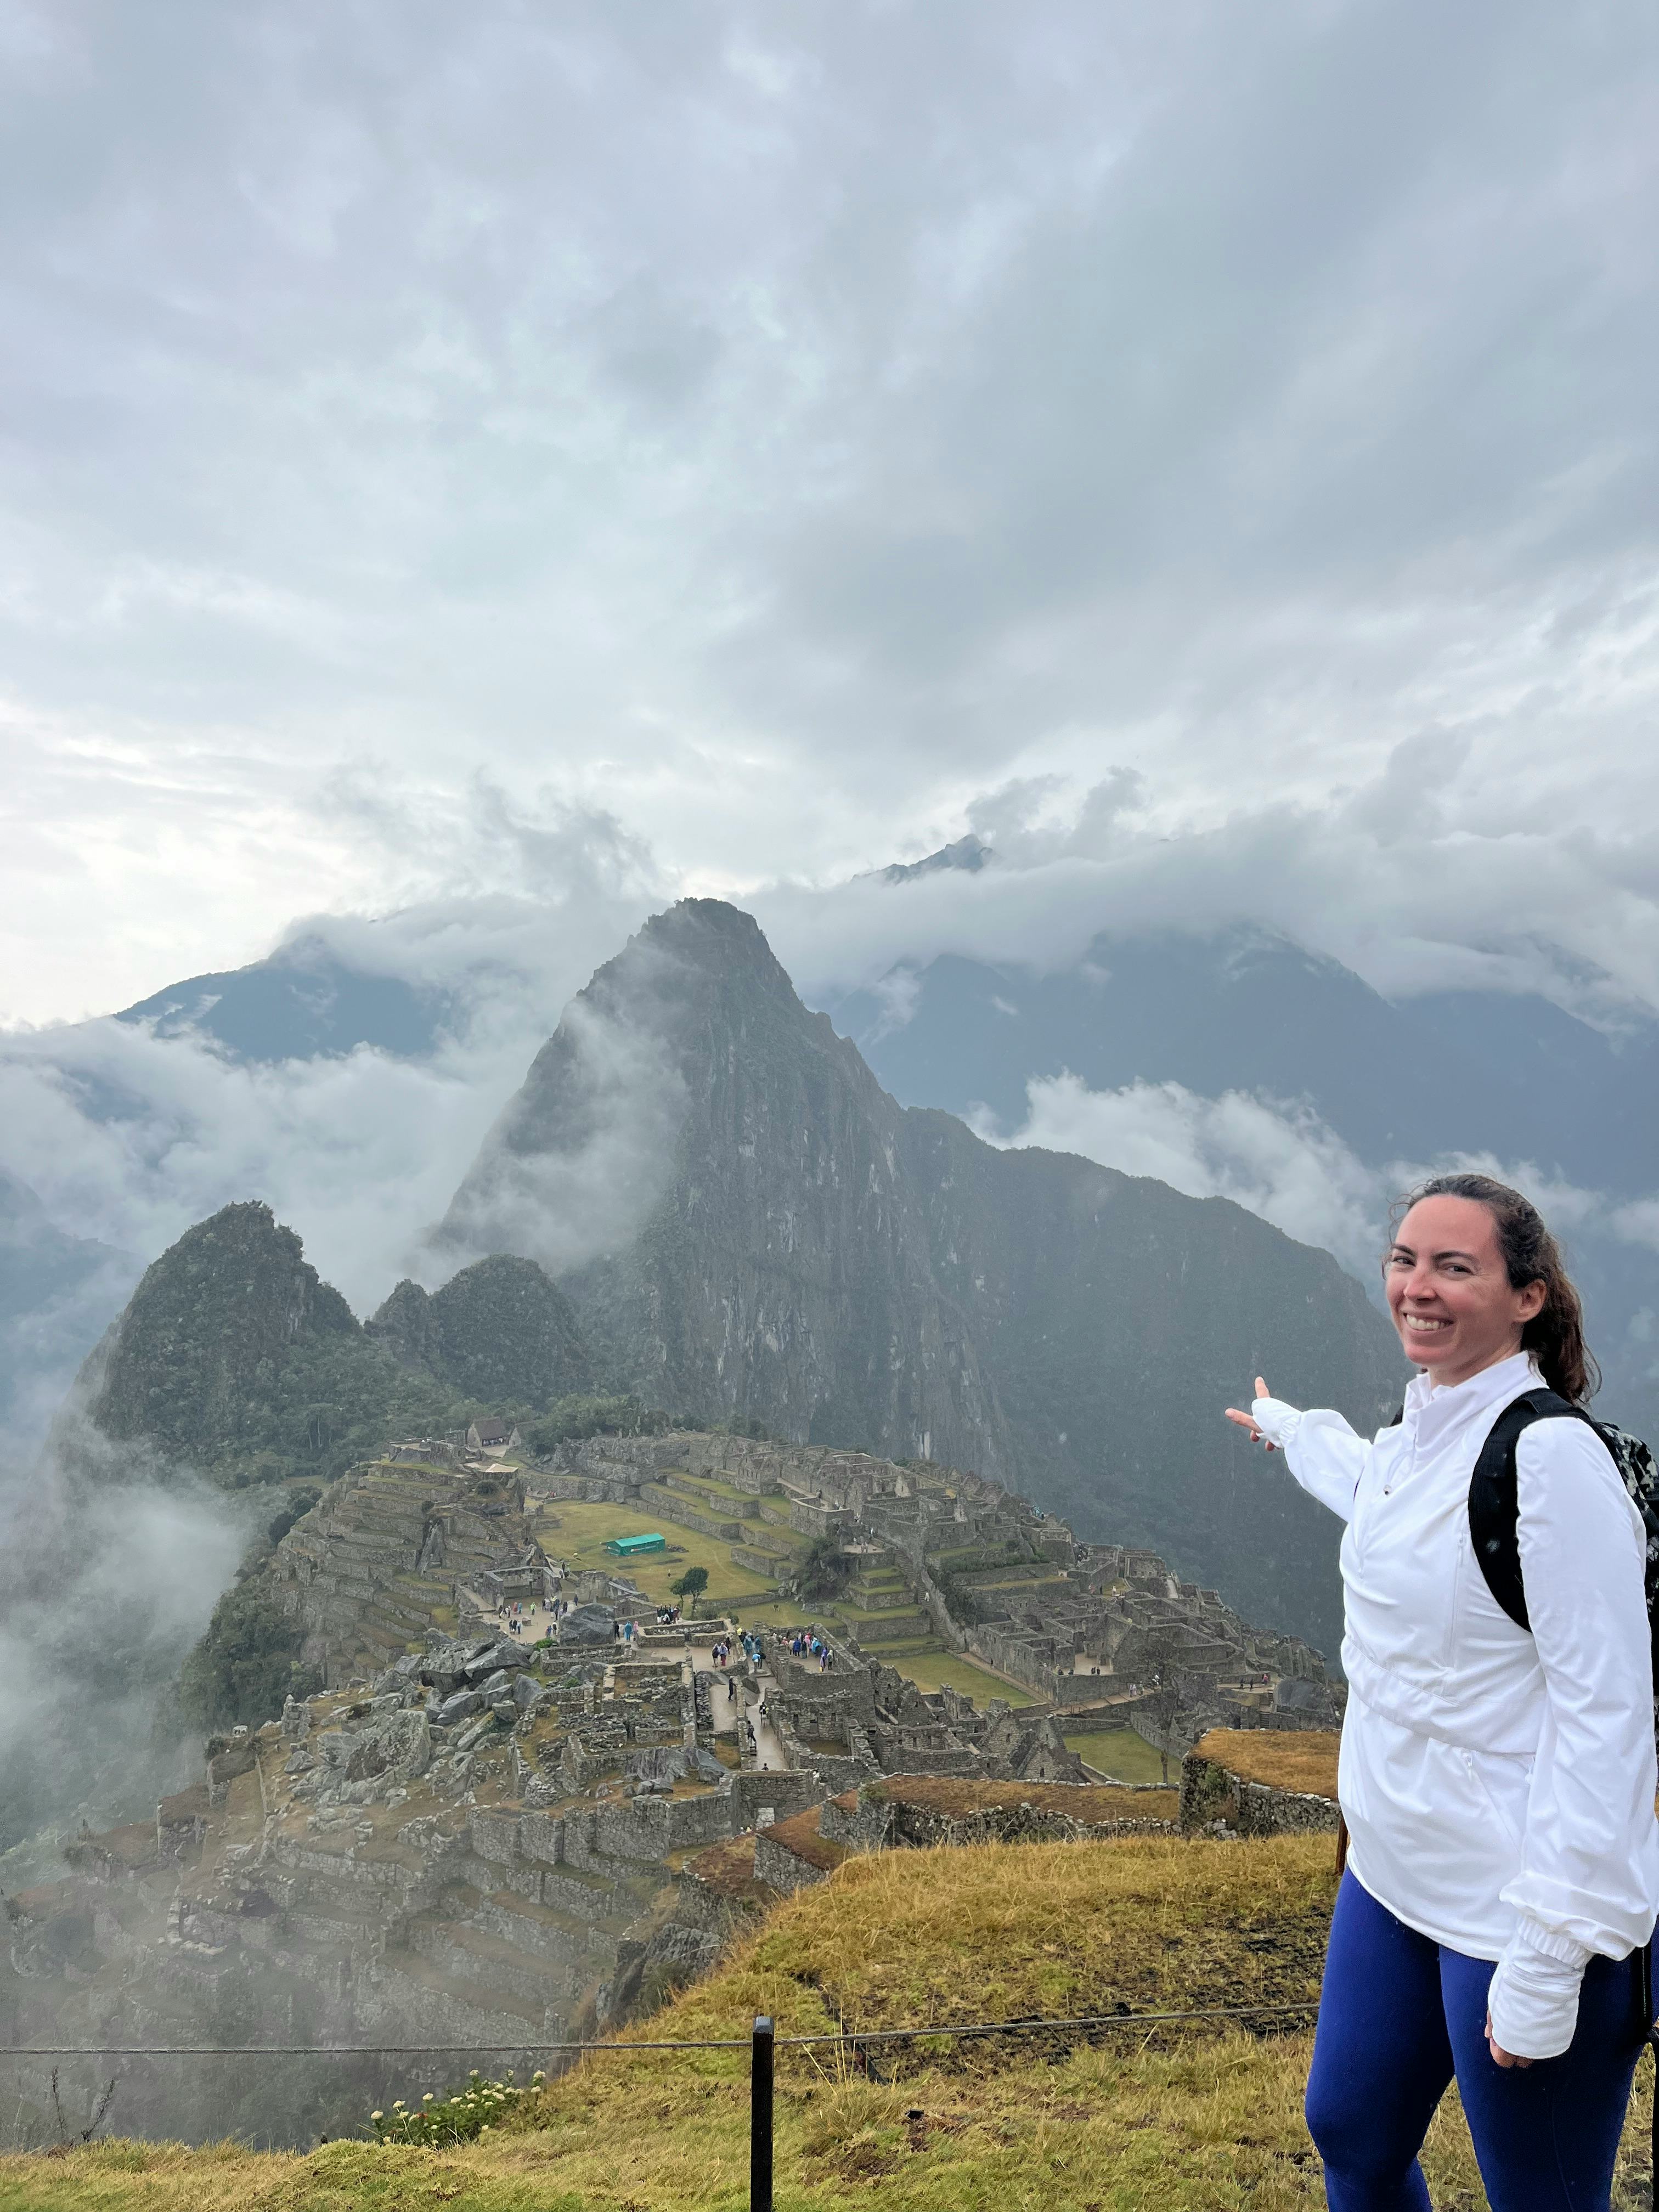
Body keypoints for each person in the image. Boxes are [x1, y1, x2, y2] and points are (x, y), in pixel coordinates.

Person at [1225, 1173, 1658, 2212]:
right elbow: (1369, 1484)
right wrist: (1288, 1427)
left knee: (1542, 2196)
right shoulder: (1420, 1436)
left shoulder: (1550, 1461)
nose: (1419, 1287)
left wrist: (1553, 1955)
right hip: (1392, 1874)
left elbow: (1611, 1717)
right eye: (1406, 1261)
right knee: (1353, 2135)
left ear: (1527, 1297)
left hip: (1515, 1901)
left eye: (1455, 1267)